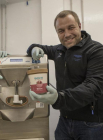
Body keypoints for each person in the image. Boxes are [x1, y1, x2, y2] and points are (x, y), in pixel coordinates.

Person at [27, 10, 103, 140]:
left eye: (71, 27)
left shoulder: (95, 50)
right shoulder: (59, 50)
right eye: (61, 31)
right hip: (64, 120)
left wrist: (59, 98)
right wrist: (33, 49)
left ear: (79, 26)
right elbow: (37, 47)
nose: (67, 34)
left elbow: (93, 86)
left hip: (90, 124)